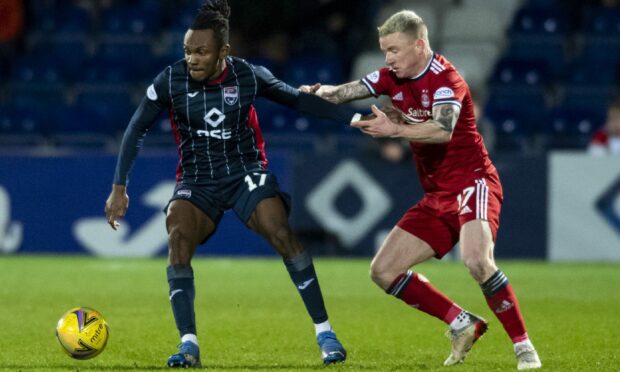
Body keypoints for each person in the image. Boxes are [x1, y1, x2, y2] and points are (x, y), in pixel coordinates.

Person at [104, 0, 361, 367]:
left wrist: (355, 119)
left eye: (201, 52)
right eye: (187, 51)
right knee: (177, 233)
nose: (192, 59)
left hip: (244, 172)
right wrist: (119, 186)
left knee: (280, 231)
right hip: (197, 179)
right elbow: (135, 128)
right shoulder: (171, 80)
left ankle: (326, 334)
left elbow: (299, 102)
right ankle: (188, 345)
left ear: (223, 52)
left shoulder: (248, 76)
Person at [301, 10, 542, 370]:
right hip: (436, 195)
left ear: (419, 44)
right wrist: (317, 92)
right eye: (384, 51)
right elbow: (345, 92)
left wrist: (394, 130)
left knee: (477, 261)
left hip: (472, 181)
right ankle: (463, 323)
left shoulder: (446, 80)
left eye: (394, 50)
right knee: (383, 271)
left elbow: (442, 130)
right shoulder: (389, 77)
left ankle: (524, 348)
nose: (388, 59)